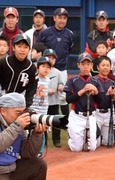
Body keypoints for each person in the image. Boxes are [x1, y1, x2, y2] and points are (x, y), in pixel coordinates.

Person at [0, 92, 48, 180]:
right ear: (3, 111)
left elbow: (28, 154)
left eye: (23, 112)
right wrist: (17, 126)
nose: (21, 116)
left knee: (38, 165)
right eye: (17, 113)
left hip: (9, 170)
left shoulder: (19, 127)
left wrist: (37, 134)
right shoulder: (17, 126)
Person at [38, 7, 74, 146]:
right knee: (45, 97)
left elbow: (69, 49)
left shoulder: (70, 34)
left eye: (64, 18)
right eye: (59, 17)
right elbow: (39, 48)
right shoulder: (46, 32)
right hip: (47, 68)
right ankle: (43, 133)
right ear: (54, 18)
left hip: (62, 69)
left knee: (63, 98)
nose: (62, 20)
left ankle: (64, 126)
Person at [64, 53, 99, 152]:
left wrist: (95, 91)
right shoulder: (72, 80)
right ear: (78, 65)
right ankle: (71, 138)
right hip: (77, 116)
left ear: (91, 65)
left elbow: (100, 101)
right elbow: (68, 99)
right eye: (83, 64)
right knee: (77, 148)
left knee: (91, 148)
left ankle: (83, 137)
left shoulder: (95, 81)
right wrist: (82, 91)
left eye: (88, 64)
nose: (86, 67)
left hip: (91, 116)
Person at [0, 35, 37, 107]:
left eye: (25, 47)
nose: (22, 50)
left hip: (19, 102)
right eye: (19, 46)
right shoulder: (4, 62)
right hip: (2, 98)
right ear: (13, 47)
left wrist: (27, 105)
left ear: (29, 49)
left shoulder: (31, 67)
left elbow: (32, 88)